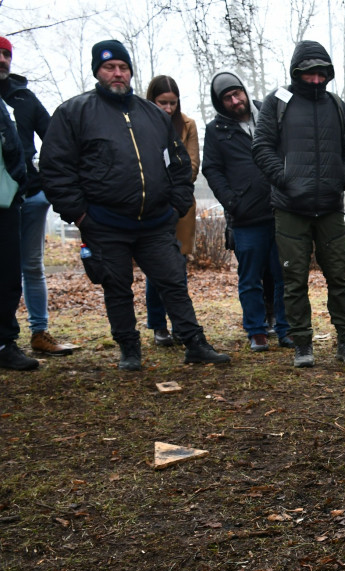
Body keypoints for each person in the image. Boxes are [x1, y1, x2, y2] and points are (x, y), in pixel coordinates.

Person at [38, 39, 229, 370]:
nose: (117, 74)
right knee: (117, 287)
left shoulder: (152, 114)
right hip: (105, 223)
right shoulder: (75, 113)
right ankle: (129, 349)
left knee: (173, 283)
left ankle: (195, 343)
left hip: (155, 222)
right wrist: (81, 215)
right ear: (98, 72)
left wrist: (175, 207)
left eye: (123, 68)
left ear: (130, 72)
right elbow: (55, 168)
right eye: (109, 67)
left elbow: (180, 165)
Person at [252, 40, 345, 368]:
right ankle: (303, 344)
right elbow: (261, 146)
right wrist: (286, 179)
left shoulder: (335, 105)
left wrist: (341, 178)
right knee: (294, 280)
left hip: (329, 208)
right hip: (290, 209)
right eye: (309, 73)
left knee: (339, 278)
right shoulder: (278, 101)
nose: (315, 80)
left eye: (321, 74)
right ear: (296, 72)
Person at [202, 71, 291, 352]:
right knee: (250, 278)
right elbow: (211, 169)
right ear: (220, 103)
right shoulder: (216, 130)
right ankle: (256, 330)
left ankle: (286, 328)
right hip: (245, 218)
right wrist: (231, 201)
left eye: (237, 92)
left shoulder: (268, 113)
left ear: (243, 90)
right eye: (227, 97)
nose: (235, 100)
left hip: (279, 210)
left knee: (283, 275)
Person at [0, 35, 75, 357]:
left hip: (29, 195)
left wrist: (46, 181)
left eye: (6, 55)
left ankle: (39, 333)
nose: (2, 60)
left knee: (31, 265)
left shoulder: (24, 98)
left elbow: (55, 139)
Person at [143, 75, 199, 348]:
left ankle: (181, 326)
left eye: (172, 103)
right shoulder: (139, 123)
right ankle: (158, 325)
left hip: (180, 207)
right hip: (150, 207)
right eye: (162, 102)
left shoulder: (188, 125)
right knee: (156, 269)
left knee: (177, 267)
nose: (167, 109)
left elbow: (190, 166)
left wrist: (174, 196)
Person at [0, 94, 35, 370]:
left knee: (9, 273)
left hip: (7, 201)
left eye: (6, 54)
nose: (2, 59)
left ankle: (4, 343)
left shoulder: (13, 101)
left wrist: (19, 184)